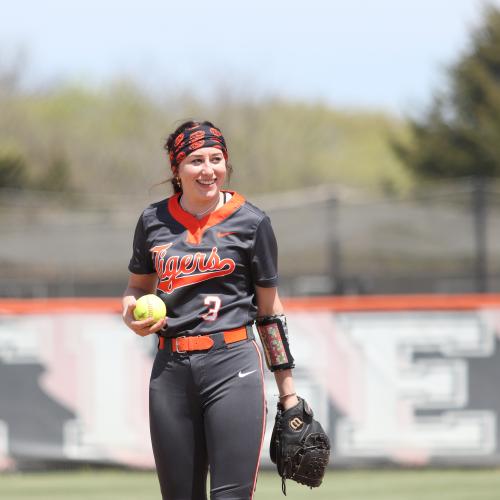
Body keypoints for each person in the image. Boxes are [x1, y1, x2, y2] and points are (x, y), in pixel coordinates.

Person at [122, 120, 298, 500]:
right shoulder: (153, 221)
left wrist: (288, 392)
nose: (208, 169)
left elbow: (270, 313)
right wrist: (129, 311)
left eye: (216, 159)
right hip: (170, 372)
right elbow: (137, 287)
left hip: (232, 363)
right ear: (177, 169)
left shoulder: (252, 222)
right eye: (195, 160)